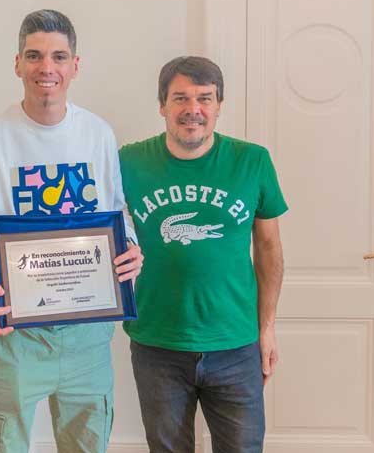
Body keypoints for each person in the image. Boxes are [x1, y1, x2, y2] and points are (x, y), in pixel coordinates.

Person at [0, 9, 143, 453]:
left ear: (75, 65)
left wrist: (131, 246)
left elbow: (116, 213)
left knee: (88, 444)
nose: (45, 68)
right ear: (17, 64)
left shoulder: (98, 134)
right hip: (14, 335)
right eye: (34, 56)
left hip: (88, 335)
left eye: (58, 57)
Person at [119, 56, 287, 453]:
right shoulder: (127, 162)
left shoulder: (252, 161)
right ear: (162, 105)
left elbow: (268, 249)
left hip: (235, 344)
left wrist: (268, 328)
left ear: (218, 105)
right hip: (157, 344)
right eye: (180, 98)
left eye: (204, 98)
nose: (192, 110)